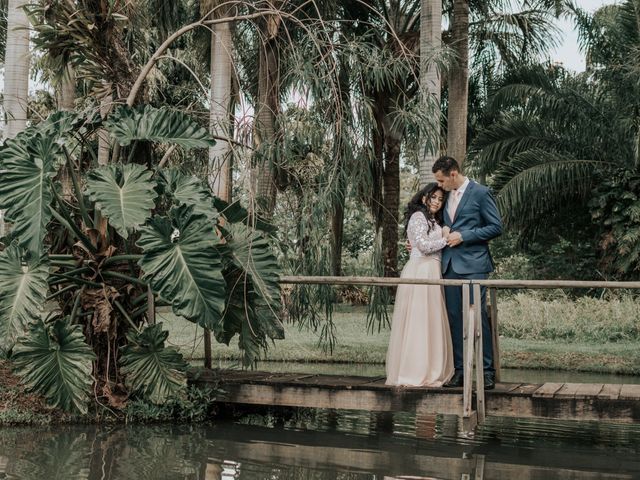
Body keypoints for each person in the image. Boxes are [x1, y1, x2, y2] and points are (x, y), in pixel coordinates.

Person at [431, 156, 502, 390]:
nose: (439, 186)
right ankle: (460, 372)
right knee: (454, 319)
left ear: (453, 174)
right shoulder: (446, 195)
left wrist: (464, 235)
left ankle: (487, 371)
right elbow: (438, 221)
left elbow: (495, 226)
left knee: (477, 318)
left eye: (441, 180)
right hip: (449, 265)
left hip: (474, 266)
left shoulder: (481, 193)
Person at [386, 183, 454, 387]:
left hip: (432, 271)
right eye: (433, 197)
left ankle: (430, 369)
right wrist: (446, 238)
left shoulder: (434, 220)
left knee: (430, 322)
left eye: (441, 199)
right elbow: (423, 247)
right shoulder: (418, 216)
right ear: (424, 198)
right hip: (421, 270)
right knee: (418, 322)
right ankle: (413, 371)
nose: (437, 202)